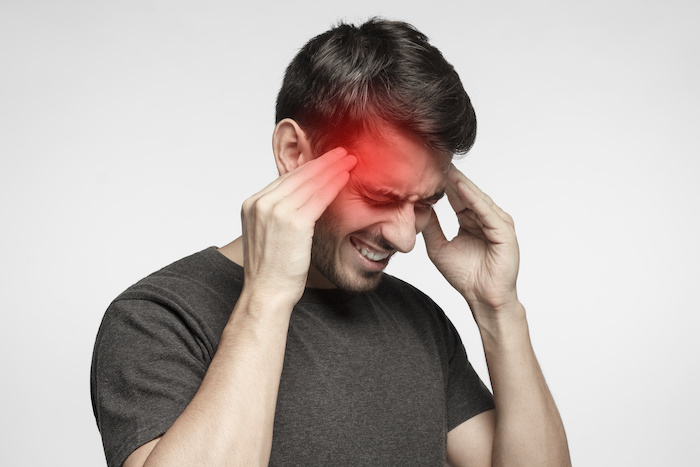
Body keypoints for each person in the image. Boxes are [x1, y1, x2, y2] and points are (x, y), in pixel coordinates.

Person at [91, 18, 571, 466]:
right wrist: (267, 297)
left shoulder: (418, 320)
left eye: (425, 201)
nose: (405, 239)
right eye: (379, 194)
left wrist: (499, 309)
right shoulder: (155, 319)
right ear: (294, 153)